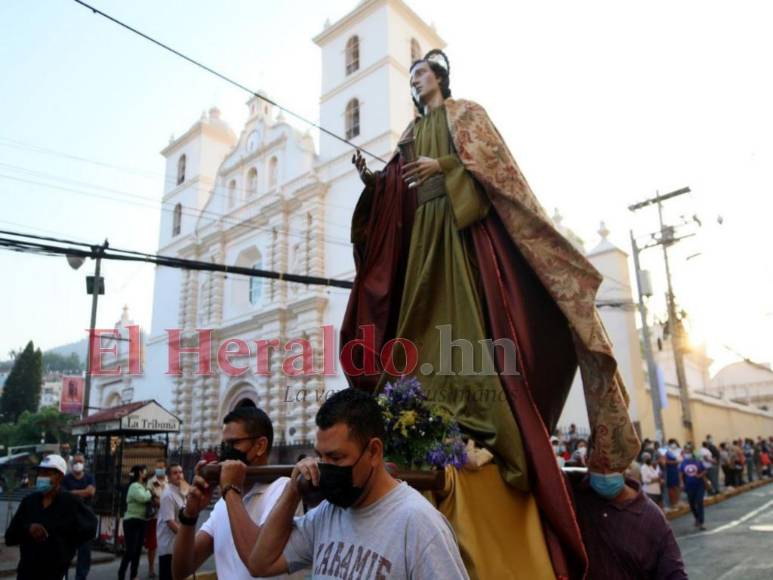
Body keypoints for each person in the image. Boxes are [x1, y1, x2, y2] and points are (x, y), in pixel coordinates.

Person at [344, 48, 640, 576]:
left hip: (458, 230)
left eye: (423, 72)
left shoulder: (466, 114)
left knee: (464, 314)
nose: (416, 80)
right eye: (413, 75)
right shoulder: (411, 133)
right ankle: (415, 403)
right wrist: (376, 182)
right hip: (422, 235)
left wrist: (446, 167)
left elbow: (496, 170)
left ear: (440, 77)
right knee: (415, 316)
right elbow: (397, 186)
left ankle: (478, 420)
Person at [247, 388, 469, 578]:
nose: (325, 468)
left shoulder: (419, 523)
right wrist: (293, 490)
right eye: (320, 457)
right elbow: (260, 564)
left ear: (373, 452)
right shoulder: (328, 513)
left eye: (336, 458)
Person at [173, 405, 302, 580]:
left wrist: (231, 490)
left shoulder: (284, 490)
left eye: (234, 443)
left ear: (260, 446)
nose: (227, 451)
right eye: (224, 444)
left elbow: (256, 562)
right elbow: (181, 571)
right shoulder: (223, 503)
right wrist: (190, 515)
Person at [570, 470, 687, 579]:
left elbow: (674, 572)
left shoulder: (651, 517)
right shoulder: (577, 494)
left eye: (611, 465)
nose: (605, 473)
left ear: (625, 464)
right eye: (598, 466)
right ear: (587, 461)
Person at [5, 454, 97, 580]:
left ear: (60, 477)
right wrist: (29, 529)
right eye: (40, 473)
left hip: (55, 574)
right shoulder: (29, 502)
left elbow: (90, 527)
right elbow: (10, 537)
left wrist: (66, 547)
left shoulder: (70, 502)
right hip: (26, 573)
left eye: (47, 473)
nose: (41, 477)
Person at [61, 453, 96, 580]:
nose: (78, 464)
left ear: (84, 463)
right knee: (65, 552)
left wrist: (73, 493)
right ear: (71, 464)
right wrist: (83, 492)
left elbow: (91, 492)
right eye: (75, 462)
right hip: (69, 519)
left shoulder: (90, 477)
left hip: (85, 519)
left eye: (80, 461)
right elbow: (64, 495)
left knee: (84, 553)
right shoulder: (66, 479)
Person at [118, 464, 152, 580]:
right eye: (144, 471)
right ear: (140, 473)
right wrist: (149, 492)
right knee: (131, 550)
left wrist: (148, 492)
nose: (146, 473)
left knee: (137, 551)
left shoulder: (142, 486)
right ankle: (121, 574)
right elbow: (143, 498)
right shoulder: (134, 486)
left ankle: (134, 575)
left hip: (142, 520)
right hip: (132, 521)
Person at [156, 464, 186, 580]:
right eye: (175, 473)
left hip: (178, 544)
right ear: (168, 477)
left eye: (180, 472)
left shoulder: (182, 491)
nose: (179, 475)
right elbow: (170, 522)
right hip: (168, 545)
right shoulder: (168, 494)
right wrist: (186, 537)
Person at [145, 459, 167, 578]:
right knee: (152, 544)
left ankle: (167, 567)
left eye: (161, 467)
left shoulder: (169, 481)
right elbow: (151, 497)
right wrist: (159, 501)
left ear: (165, 468)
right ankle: (151, 568)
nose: (159, 470)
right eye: (158, 467)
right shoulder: (151, 482)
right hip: (155, 517)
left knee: (167, 543)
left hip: (168, 517)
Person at [680, 445, 708, 530]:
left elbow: (704, 470)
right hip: (689, 486)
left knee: (699, 502)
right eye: (686, 452)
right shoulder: (683, 463)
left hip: (699, 485)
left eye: (689, 452)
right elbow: (681, 474)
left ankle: (701, 522)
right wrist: (681, 483)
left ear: (692, 453)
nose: (687, 453)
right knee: (692, 504)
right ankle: (696, 518)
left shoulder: (697, 461)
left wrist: (700, 475)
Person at [665, 439, 682, 509]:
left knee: (677, 486)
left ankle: (677, 501)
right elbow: (665, 461)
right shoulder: (666, 451)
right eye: (672, 443)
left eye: (674, 443)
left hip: (676, 470)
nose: (673, 444)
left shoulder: (677, 451)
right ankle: (673, 503)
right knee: (671, 487)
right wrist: (675, 462)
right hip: (670, 471)